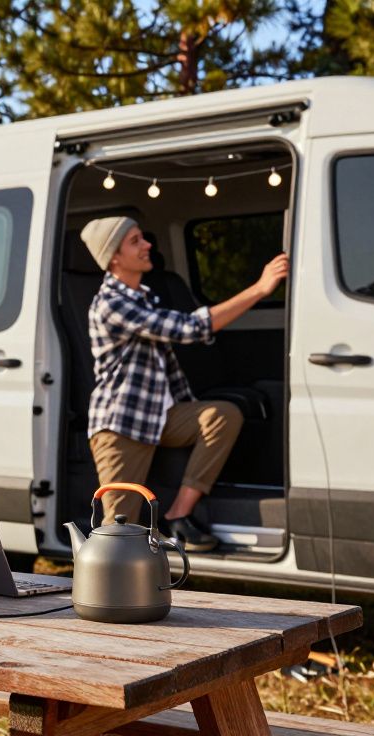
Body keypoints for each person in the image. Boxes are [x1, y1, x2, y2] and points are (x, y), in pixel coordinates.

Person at [80, 216, 289, 551]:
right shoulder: (111, 303)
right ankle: (100, 601)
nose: (148, 244)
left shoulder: (142, 297)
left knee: (222, 414)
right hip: (122, 426)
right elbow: (190, 328)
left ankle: (180, 514)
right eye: (135, 241)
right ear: (114, 257)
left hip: (158, 417)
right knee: (116, 539)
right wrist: (261, 288)